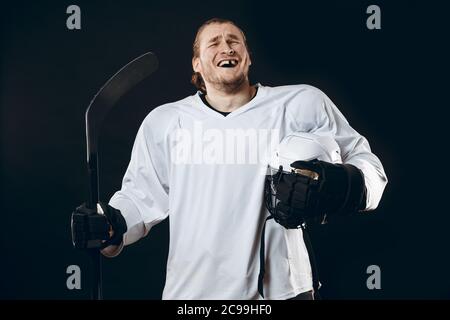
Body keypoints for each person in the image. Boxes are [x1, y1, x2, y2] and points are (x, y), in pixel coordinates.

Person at [72, 18, 388, 300]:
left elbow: (371, 170)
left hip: (285, 292)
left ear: (247, 57)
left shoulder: (302, 103)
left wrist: (335, 183)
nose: (226, 46)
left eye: (234, 40)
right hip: (194, 297)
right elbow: (141, 199)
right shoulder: (165, 121)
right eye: (214, 42)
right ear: (196, 63)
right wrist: (110, 224)